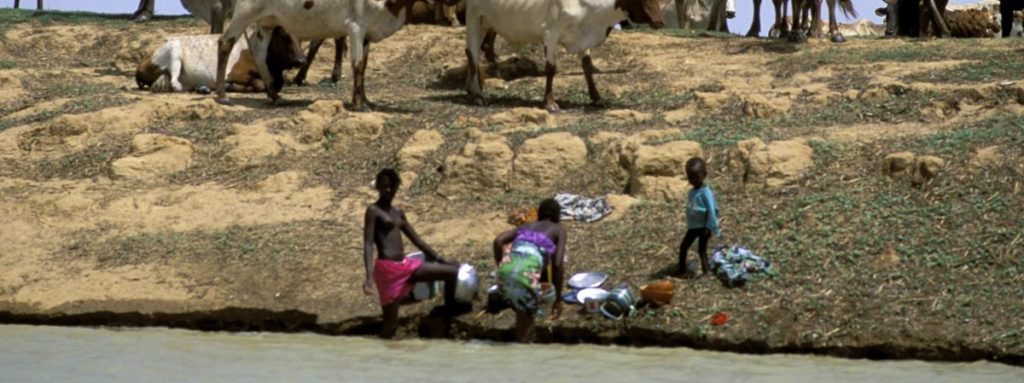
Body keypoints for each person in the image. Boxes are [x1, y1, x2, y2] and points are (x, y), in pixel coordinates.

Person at [362, 169, 460, 339]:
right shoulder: (373, 210)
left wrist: (441, 259)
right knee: (390, 325)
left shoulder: (398, 212)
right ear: (377, 187)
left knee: (452, 273)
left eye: (392, 187)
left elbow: (418, 240)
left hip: (407, 266)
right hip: (387, 271)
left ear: (396, 188)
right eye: (384, 186)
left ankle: (447, 316)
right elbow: (368, 243)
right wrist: (369, 276)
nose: (388, 190)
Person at [492, 198, 567, 342]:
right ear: (557, 216)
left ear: (539, 213)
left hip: (506, 270)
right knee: (525, 331)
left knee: (523, 314)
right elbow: (557, 264)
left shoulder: (525, 227)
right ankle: (521, 357)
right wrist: (558, 299)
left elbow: (498, 241)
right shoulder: (558, 230)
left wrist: (501, 266)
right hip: (525, 275)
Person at [679, 157, 722, 277]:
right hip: (693, 226)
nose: (693, 180)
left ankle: (706, 271)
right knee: (683, 246)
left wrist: (709, 227)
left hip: (703, 227)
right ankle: (681, 270)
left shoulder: (706, 192)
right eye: (690, 177)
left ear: (704, 175)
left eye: (696, 177)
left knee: (701, 250)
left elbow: (712, 210)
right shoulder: (692, 191)